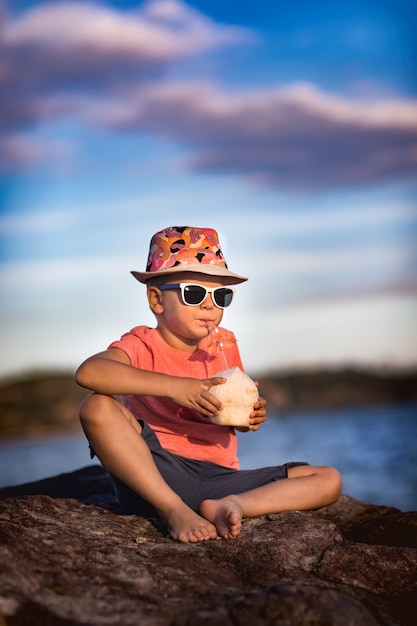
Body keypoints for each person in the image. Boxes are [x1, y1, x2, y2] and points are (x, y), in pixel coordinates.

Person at [76, 225, 342, 543]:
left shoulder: (224, 346)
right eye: (194, 292)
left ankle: (232, 506)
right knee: (96, 406)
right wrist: (176, 387)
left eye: (221, 295)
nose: (209, 305)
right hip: (155, 472)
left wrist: (247, 417)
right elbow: (90, 373)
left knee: (327, 479)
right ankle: (173, 510)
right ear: (156, 299)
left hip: (220, 477)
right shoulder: (142, 343)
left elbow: (229, 414)